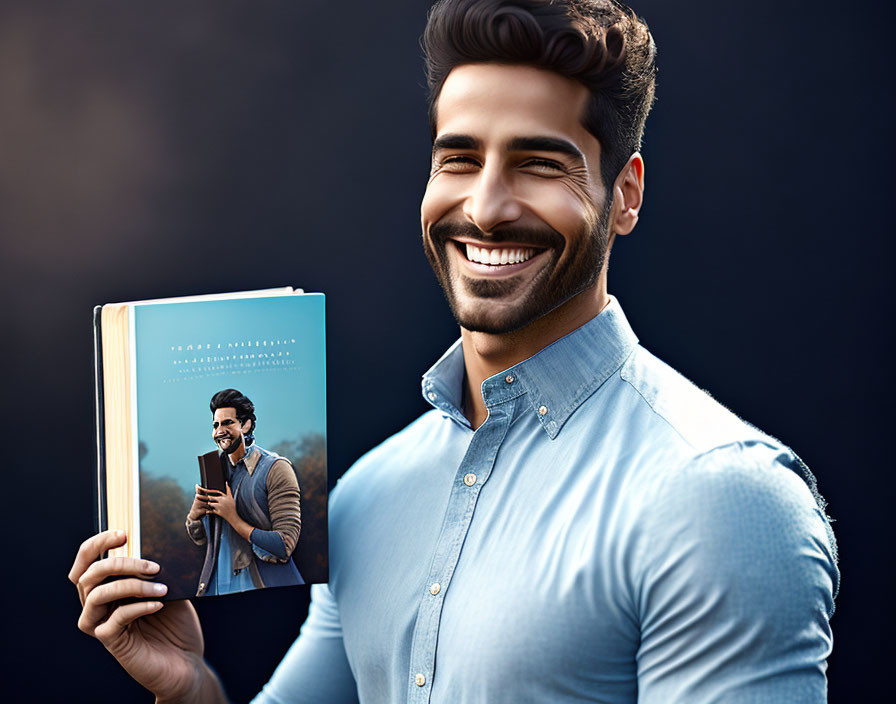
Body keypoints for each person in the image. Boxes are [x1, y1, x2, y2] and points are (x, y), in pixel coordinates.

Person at [70, 1, 839, 702]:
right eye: (460, 159)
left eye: (539, 164)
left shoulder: (720, 500)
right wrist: (190, 687)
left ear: (625, 194)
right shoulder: (369, 496)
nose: (485, 207)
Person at [187, 388, 304, 596]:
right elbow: (204, 539)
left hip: (263, 588)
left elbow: (284, 545)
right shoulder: (214, 469)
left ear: (246, 424)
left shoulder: (276, 468)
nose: (219, 431)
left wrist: (233, 517)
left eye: (227, 423)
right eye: (215, 425)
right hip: (216, 588)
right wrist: (195, 516)